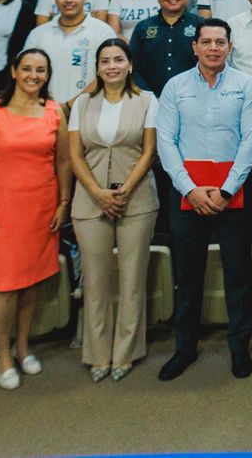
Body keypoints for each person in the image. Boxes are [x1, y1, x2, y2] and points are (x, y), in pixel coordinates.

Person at [155, 20, 252, 381]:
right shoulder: (175, 87)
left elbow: (251, 141)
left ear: (230, 47)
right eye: (207, 42)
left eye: (220, 42)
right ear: (195, 47)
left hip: (232, 193)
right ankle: (185, 348)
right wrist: (189, 189)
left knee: (238, 275)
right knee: (188, 277)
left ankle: (239, 349)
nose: (213, 48)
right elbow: (166, 141)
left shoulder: (247, 86)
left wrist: (227, 190)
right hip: (188, 194)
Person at [0, 48, 71, 390]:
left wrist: (64, 202)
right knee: (5, 287)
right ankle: (2, 355)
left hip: (41, 208)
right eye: (27, 68)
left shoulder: (54, 112)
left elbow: (64, 162)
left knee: (32, 283)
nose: (33, 76)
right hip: (1, 210)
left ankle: (23, 347)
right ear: (14, 71)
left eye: (41, 70)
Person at [67, 39, 159, 383]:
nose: (112, 66)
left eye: (118, 60)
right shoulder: (82, 104)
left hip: (136, 198)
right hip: (90, 199)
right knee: (95, 280)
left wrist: (124, 190)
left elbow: (149, 152)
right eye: (105, 61)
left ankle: (126, 352)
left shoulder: (147, 100)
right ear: (97, 67)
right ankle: (97, 354)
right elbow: (74, 154)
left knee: (132, 279)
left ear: (130, 64)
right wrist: (97, 192)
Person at [23, 0, 118, 106]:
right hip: (45, 110)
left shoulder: (103, 32)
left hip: (91, 110)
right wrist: (47, 103)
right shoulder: (37, 34)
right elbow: (24, 72)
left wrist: (70, 106)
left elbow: (110, 74)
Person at [128, 0, 204, 94]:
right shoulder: (143, 27)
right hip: (150, 99)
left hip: (195, 97)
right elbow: (133, 67)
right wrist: (148, 96)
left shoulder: (202, 26)